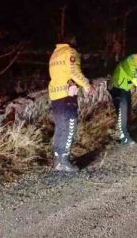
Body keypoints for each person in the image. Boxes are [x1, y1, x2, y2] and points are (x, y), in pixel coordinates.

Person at [48, 35, 93, 172]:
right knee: (69, 127)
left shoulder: (55, 54)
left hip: (55, 95)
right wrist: (87, 85)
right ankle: (64, 161)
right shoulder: (71, 52)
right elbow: (74, 71)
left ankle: (57, 160)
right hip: (67, 95)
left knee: (60, 127)